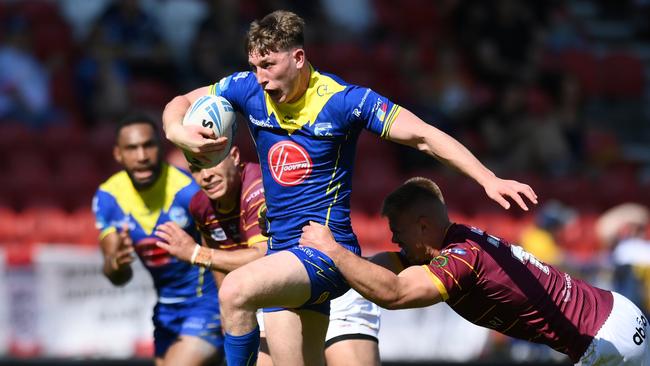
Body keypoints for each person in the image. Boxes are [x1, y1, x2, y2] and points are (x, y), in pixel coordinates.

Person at [162, 10, 537, 366]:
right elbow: (179, 102)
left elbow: (423, 136)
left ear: (297, 57)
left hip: (324, 253)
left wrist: (488, 178)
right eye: (255, 66)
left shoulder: (344, 101)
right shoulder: (247, 89)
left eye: (269, 65)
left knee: (234, 291)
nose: (260, 77)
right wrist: (178, 132)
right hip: (282, 259)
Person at [299, 177, 650, 365]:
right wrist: (331, 263)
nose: (393, 239)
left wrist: (330, 249)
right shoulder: (455, 243)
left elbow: (394, 292)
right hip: (618, 317)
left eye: (398, 230)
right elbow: (383, 269)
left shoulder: (461, 259)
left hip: (604, 342)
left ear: (422, 226)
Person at [155, 146, 383, 365]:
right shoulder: (200, 206)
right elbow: (221, 266)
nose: (205, 175)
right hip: (280, 293)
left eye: (212, 162)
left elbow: (264, 256)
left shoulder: (260, 186)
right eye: (195, 168)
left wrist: (196, 253)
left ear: (234, 156)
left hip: (331, 277)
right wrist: (229, 317)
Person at [92, 114, 223, 366]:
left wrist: (230, 311)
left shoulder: (188, 193)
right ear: (118, 155)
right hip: (165, 314)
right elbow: (117, 275)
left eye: (148, 145)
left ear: (161, 148)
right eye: (132, 148)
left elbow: (221, 251)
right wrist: (117, 263)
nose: (142, 156)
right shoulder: (108, 197)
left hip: (207, 306)